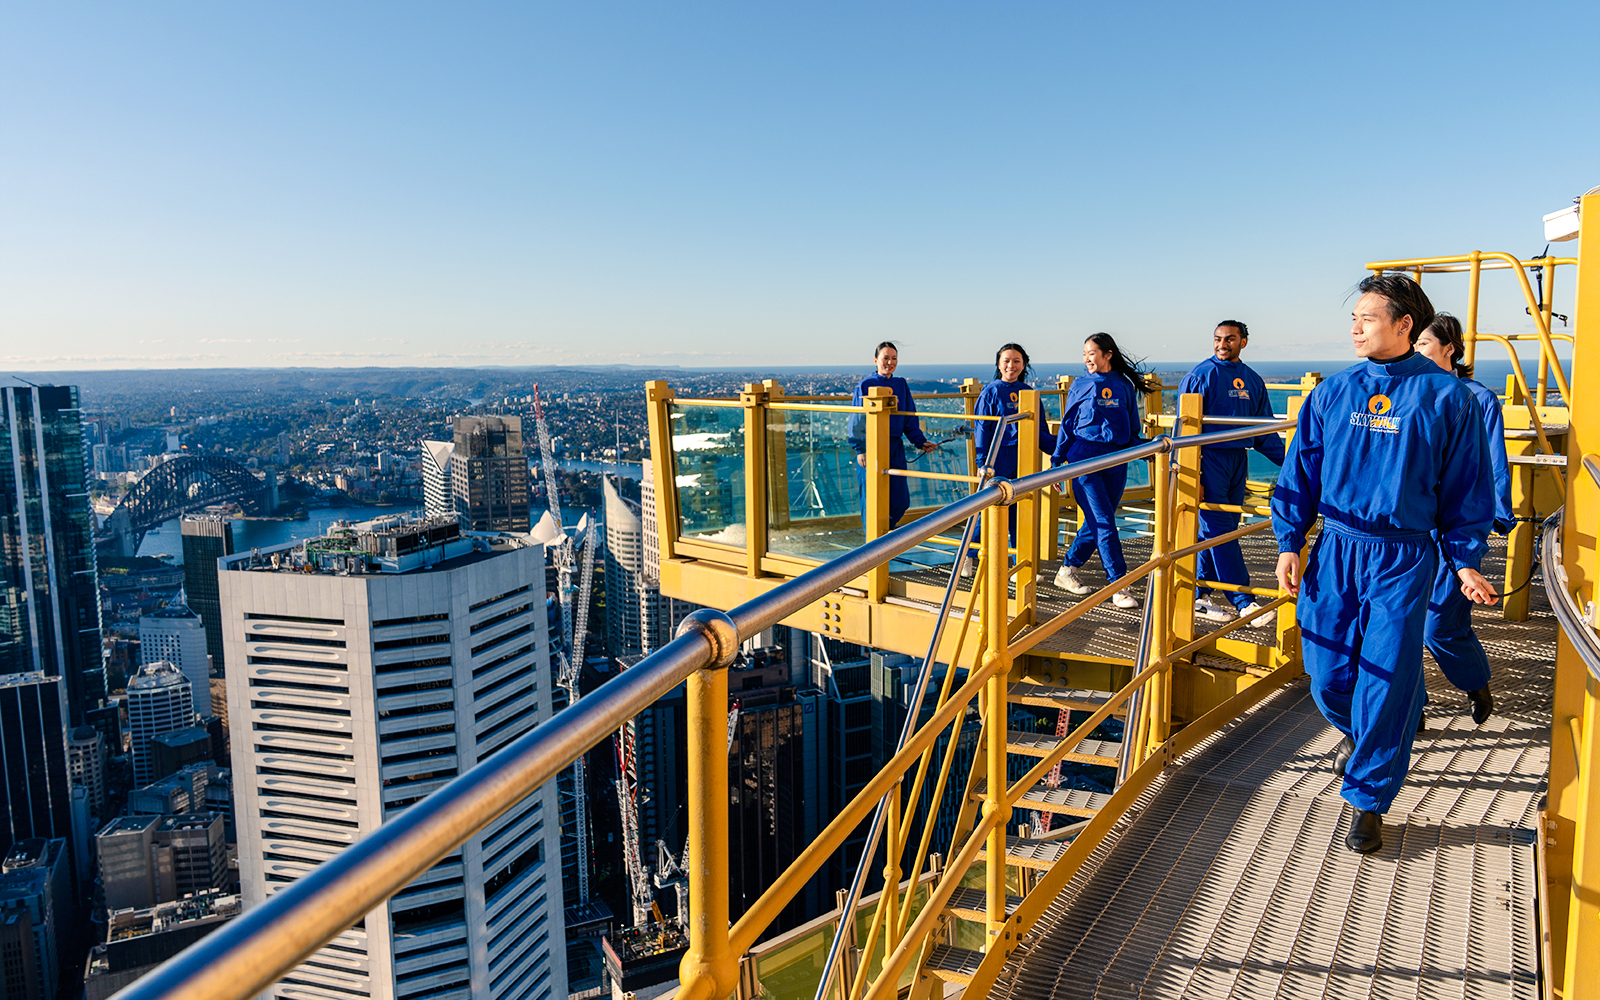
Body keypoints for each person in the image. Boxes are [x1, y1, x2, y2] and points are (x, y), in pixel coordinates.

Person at [1273, 274, 1497, 854]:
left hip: (1404, 555)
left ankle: (1369, 797)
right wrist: (1289, 540)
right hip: (1338, 547)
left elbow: (1467, 488)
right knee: (1327, 676)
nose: (1355, 327)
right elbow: (1300, 469)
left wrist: (1464, 560)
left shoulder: (1449, 399)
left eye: (1368, 318)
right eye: (1355, 318)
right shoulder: (1332, 393)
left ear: (1405, 326)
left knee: (1390, 674)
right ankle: (1368, 738)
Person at [1414, 313, 1513, 724]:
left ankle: (1475, 681)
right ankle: (1409, 708)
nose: (1416, 350)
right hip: (1409, 528)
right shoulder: (1410, 393)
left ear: (1449, 348)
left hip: (1453, 531)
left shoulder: (1477, 398)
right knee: (1396, 626)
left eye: (1423, 344)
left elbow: (1492, 463)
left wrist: (1495, 516)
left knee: (1439, 624)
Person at [1178, 321, 1287, 628]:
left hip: (1238, 460)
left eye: (1229, 339)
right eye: (1217, 339)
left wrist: (1294, 466)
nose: (1222, 344)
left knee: (1216, 530)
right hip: (1208, 460)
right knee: (1222, 531)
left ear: (1243, 342)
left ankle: (1199, 593)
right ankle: (1244, 602)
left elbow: (1265, 430)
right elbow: (1184, 430)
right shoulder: (1200, 376)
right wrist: (1192, 475)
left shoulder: (1252, 380)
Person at [1052, 333, 1152, 610]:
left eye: (1092, 353)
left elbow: (1132, 428)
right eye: (1084, 354)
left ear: (1108, 355)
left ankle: (1067, 569)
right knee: (1105, 523)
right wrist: (1057, 462)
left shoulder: (1123, 385)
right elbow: (1067, 425)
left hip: (1117, 458)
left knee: (1097, 522)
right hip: (1084, 459)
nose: (1087, 358)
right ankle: (1118, 585)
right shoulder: (1080, 385)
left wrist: (1147, 450)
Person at [967, 343, 1054, 573]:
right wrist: (982, 462)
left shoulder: (1029, 391)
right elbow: (982, 429)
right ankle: (968, 554)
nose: (1011, 365)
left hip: (1023, 456)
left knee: (1020, 510)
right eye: (1006, 360)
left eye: (1016, 361)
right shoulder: (991, 391)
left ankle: (1019, 566)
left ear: (1024, 364)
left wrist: (1061, 450)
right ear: (998, 364)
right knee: (987, 507)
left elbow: (1040, 431)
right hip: (998, 457)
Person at [849, 342, 939, 530]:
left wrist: (920, 442)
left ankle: (884, 536)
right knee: (871, 500)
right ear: (875, 360)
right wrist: (861, 449)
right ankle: (872, 547)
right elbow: (857, 419)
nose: (890, 362)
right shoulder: (865, 385)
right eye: (885, 358)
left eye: (894, 358)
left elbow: (908, 416)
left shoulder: (901, 384)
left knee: (900, 501)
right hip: (871, 446)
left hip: (894, 447)